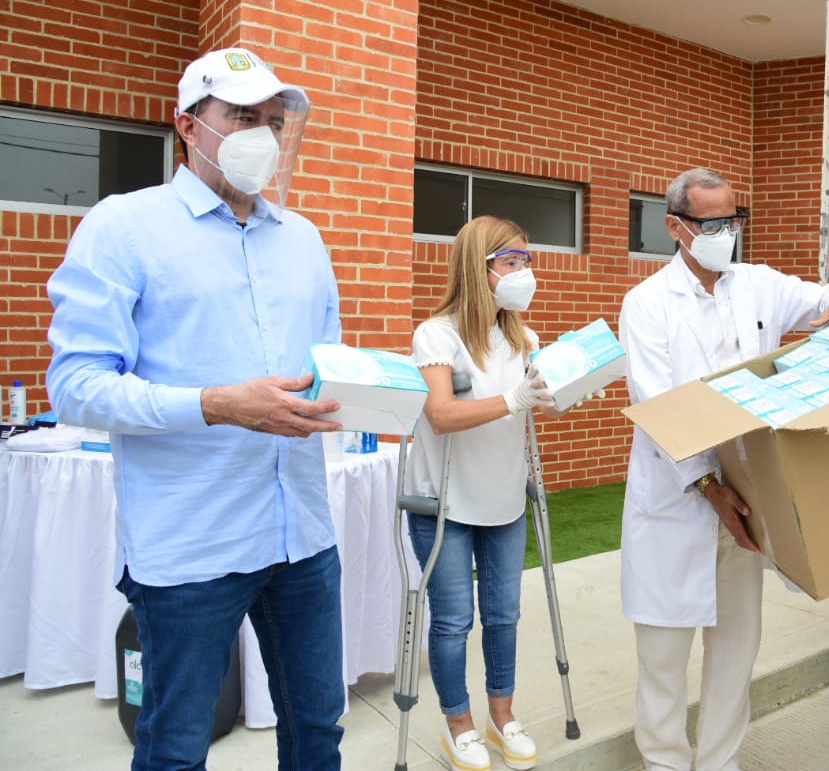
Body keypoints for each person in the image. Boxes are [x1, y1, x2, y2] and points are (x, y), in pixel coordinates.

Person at [46, 48, 347, 769]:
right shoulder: (124, 227)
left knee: (317, 729)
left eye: (275, 122)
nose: (264, 137)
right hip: (190, 547)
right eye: (243, 117)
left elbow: (326, 364)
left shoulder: (303, 240)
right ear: (186, 124)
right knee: (176, 744)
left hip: (300, 535)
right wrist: (214, 405)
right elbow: (76, 384)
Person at [619, 167, 829, 771]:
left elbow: (821, 297)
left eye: (733, 220)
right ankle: (663, 763)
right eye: (710, 223)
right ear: (676, 227)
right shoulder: (646, 305)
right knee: (663, 656)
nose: (725, 233)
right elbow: (661, 412)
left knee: (735, 649)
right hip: (679, 500)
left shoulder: (756, 284)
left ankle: (719, 762)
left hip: (747, 499)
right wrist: (711, 487)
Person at [405, 215, 576, 771]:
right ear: (480, 270)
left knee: (504, 615)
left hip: (504, 498)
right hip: (447, 502)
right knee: (454, 620)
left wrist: (563, 390)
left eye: (527, 260)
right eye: (511, 262)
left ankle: (502, 717)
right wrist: (515, 400)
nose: (524, 272)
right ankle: (459, 724)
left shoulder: (521, 336)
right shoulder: (438, 334)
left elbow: (529, 405)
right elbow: (441, 414)